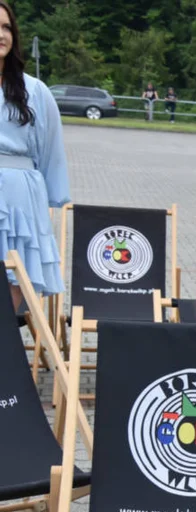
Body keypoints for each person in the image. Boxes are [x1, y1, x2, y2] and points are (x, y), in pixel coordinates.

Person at [0, 0, 70, 311]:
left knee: (14, 279)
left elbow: (51, 149)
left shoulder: (35, 91)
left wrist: (49, 200)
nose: (1, 34)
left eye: (5, 27)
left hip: (20, 198)